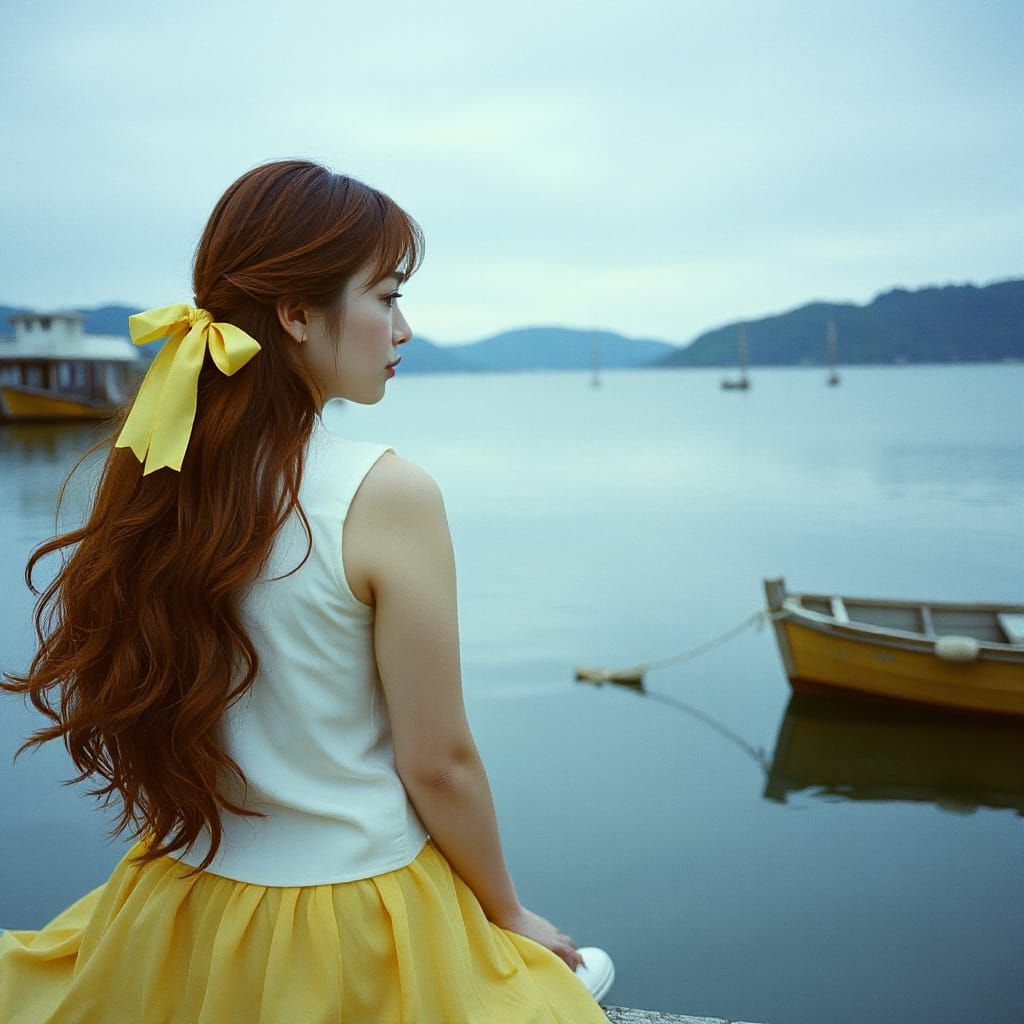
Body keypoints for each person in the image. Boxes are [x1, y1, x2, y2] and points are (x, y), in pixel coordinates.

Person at [0, 158, 614, 1022]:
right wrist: (507, 913)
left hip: (180, 901)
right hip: (352, 914)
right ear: (295, 314)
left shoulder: (157, 471)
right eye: (387, 296)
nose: (403, 328)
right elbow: (438, 763)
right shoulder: (387, 492)